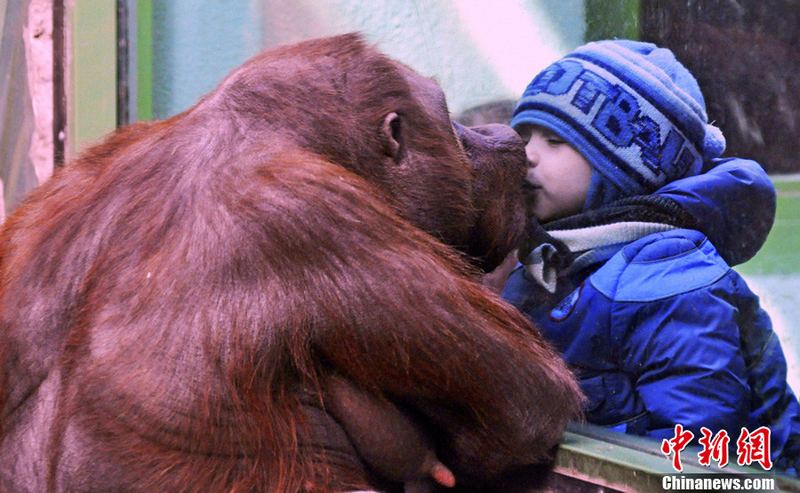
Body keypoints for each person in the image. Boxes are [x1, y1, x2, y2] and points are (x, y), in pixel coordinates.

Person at [501, 39, 800, 474]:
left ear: (628, 169)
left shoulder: (666, 279)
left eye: (554, 140)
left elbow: (696, 451)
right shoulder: (554, 262)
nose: (526, 154)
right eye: (523, 135)